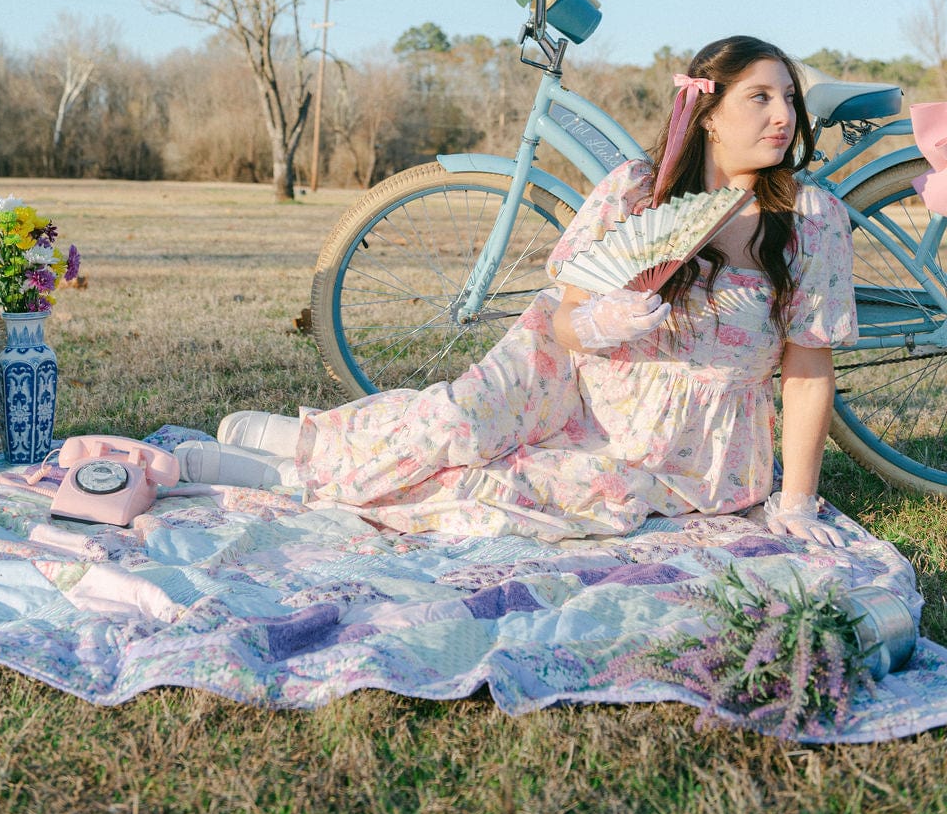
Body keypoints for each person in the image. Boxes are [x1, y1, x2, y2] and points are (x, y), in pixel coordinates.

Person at [176, 36, 857, 547]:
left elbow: (807, 372)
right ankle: (311, 444)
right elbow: (565, 315)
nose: (783, 116)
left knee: (515, 490)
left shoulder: (810, 220)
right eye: (760, 98)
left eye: (789, 98)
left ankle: (295, 470)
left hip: (691, 453)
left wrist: (795, 501)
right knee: (459, 424)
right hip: (571, 375)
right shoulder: (634, 190)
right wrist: (595, 324)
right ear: (707, 112)